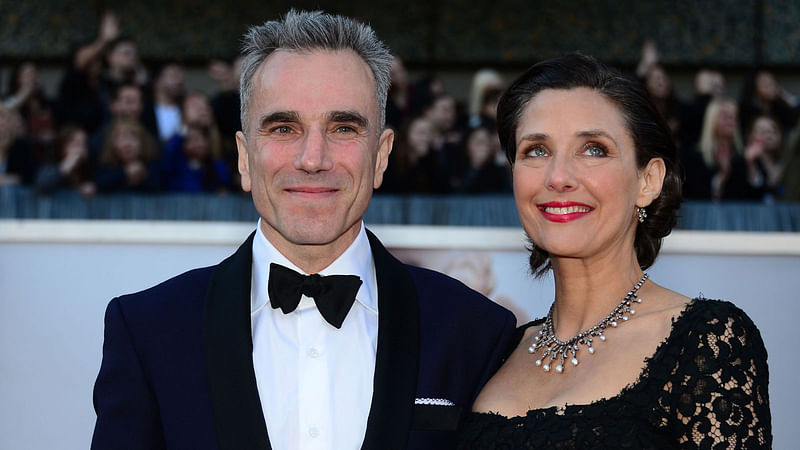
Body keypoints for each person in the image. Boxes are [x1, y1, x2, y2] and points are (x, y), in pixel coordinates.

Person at [91, 10, 516, 450]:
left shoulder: (474, 332)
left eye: (343, 127)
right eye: (283, 128)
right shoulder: (147, 332)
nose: (313, 158)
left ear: (382, 155)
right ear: (243, 157)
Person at [458, 53, 771, 448]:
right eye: (536, 150)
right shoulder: (496, 352)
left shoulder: (705, 342)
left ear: (648, 180)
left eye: (593, 149)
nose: (558, 177)